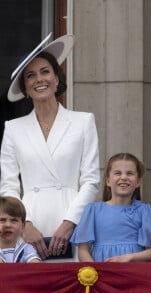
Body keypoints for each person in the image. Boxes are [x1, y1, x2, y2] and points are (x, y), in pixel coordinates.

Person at [0, 33, 100, 261]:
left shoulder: (83, 121)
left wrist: (70, 223)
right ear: (25, 87)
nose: (39, 79)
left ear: (56, 78)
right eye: (31, 75)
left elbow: (91, 180)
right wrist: (24, 224)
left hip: (73, 219)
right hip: (29, 222)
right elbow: (8, 186)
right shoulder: (13, 128)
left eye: (45, 71)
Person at [70, 152, 151, 262]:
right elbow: (83, 250)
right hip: (100, 273)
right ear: (108, 181)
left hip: (133, 272)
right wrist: (96, 271)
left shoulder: (144, 211)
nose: (123, 177)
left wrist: (129, 257)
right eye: (117, 173)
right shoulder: (92, 210)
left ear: (138, 182)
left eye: (130, 173)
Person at [0, 196, 40, 263]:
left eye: (14, 220)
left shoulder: (27, 249)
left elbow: (35, 266)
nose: (8, 225)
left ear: (23, 226)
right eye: (2, 220)